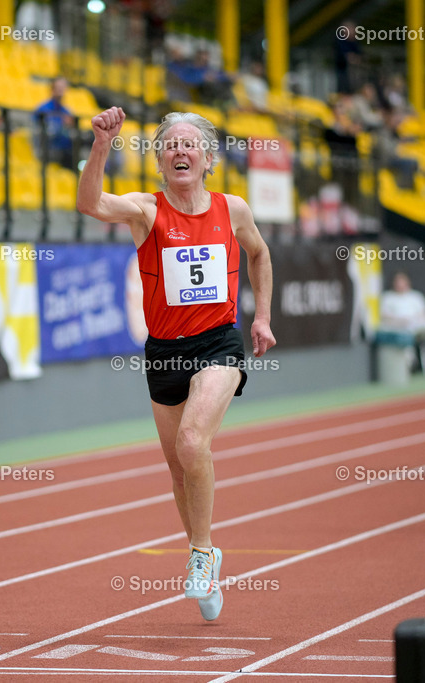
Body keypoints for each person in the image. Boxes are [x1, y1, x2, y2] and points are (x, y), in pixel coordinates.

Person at [76, 108, 276, 621]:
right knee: (177, 467)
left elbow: (259, 255)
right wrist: (102, 144)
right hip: (164, 350)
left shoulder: (233, 210)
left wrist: (262, 318)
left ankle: (202, 553)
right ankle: (201, 552)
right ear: (160, 162)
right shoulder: (146, 210)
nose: (180, 150)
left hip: (218, 343)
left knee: (192, 443)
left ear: (209, 158)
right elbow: (90, 202)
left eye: (191, 144)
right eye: (170, 145)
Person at [379, 272, 425, 372]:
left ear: (407, 282)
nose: (400, 284)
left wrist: (412, 321)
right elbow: (384, 317)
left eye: (402, 281)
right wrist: (400, 321)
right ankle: (408, 361)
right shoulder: (388, 298)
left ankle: (410, 360)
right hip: (396, 328)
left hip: (415, 328)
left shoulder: (416, 296)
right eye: (397, 282)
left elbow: (424, 315)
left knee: (410, 330)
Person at [35, 76, 76, 171]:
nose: (61, 92)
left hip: (66, 149)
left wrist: (70, 126)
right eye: (58, 88)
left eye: (63, 88)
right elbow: (43, 132)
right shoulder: (43, 109)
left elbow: (71, 131)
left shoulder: (67, 111)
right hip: (48, 149)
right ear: (52, 89)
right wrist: (63, 126)